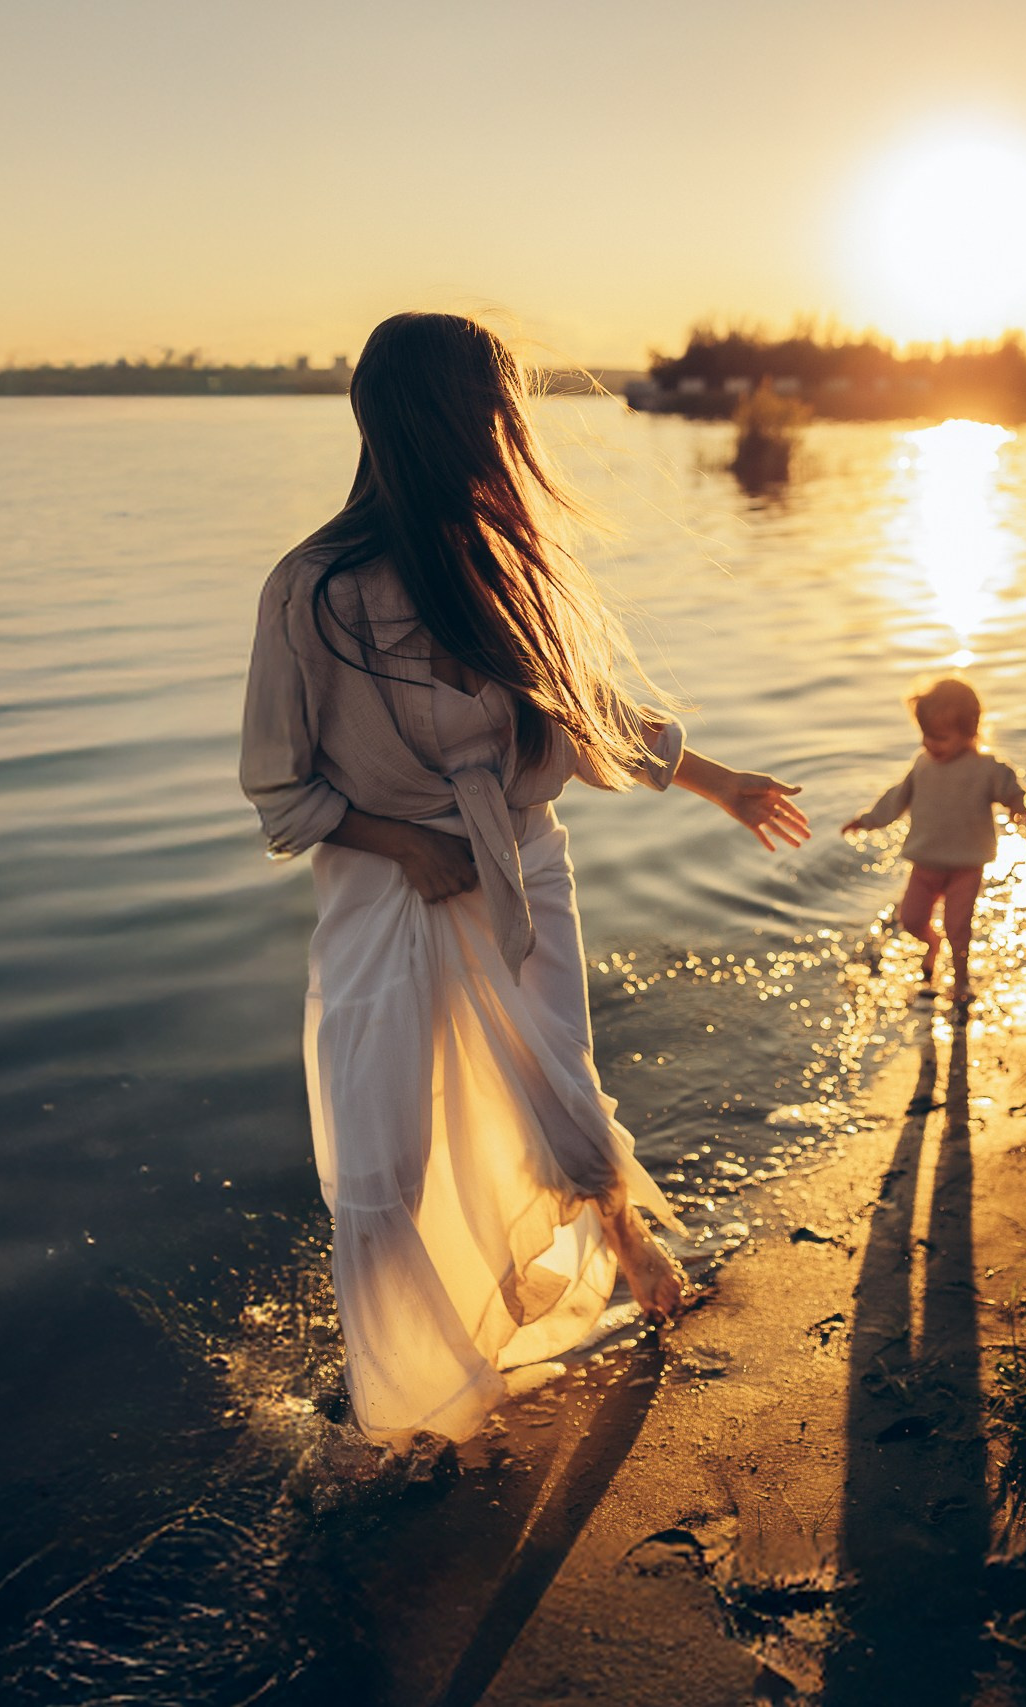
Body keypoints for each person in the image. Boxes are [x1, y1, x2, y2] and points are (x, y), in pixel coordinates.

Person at [239, 312, 810, 1444]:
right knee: (384, 1147)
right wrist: (406, 843)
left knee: (556, 1085)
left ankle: (630, 1249)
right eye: (496, 406)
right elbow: (278, 788)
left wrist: (721, 782)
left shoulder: (501, 565)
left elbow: (587, 714)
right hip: (382, 900)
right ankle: (400, 1393)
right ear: (444, 419)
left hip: (524, 875)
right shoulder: (310, 590)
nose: (511, 429)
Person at [841, 677, 1026, 1005]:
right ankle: (932, 943)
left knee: (959, 926)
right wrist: (868, 820)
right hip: (925, 862)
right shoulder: (923, 763)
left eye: (940, 737)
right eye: (926, 734)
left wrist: (1017, 803)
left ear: (970, 731)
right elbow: (896, 799)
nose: (930, 743)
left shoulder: (985, 768)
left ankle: (960, 982)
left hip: (965, 866)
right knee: (911, 919)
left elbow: (1008, 784)